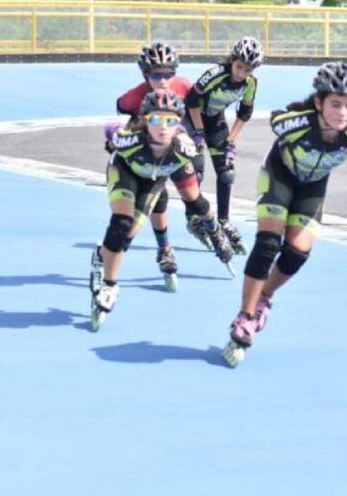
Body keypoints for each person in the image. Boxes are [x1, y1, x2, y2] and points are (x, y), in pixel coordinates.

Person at [222, 62, 347, 366]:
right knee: (268, 244)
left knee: (297, 253)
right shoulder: (297, 123)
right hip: (280, 174)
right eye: (334, 104)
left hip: (312, 186)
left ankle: (264, 295)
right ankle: (245, 315)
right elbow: (276, 120)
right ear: (318, 103)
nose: (342, 112)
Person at [89, 90, 236, 331]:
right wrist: (112, 139)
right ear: (146, 120)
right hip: (124, 171)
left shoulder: (184, 148)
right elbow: (110, 128)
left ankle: (100, 255)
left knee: (127, 236)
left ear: (179, 123)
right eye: (156, 119)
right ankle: (110, 285)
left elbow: (200, 164)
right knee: (121, 223)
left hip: (153, 179)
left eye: (170, 121)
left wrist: (227, 151)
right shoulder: (130, 139)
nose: (163, 127)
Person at [108, 43, 204, 282]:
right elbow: (120, 109)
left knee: (191, 190)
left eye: (168, 74)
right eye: (156, 75)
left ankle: (205, 226)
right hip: (145, 149)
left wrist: (199, 135)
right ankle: (164, 249)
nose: (163, 81)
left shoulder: (184, 86)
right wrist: (119, 136)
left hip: (176, 144)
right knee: (151, 205)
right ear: (145, 76)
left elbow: (198, 108)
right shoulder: (136, 96)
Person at [184, 36, 264, 255]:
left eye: (247, 69)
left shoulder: (251, 84)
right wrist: (198, 132)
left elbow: (244, 113)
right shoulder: (215, 74)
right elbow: (191, 100)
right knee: (196, 169)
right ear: (232, 60)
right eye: (239, 66)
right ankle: (193, 216)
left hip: (215, 120)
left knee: (227, 172)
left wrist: (231, 140)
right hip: (192, 119)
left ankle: (224, 221)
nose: (241, 73)